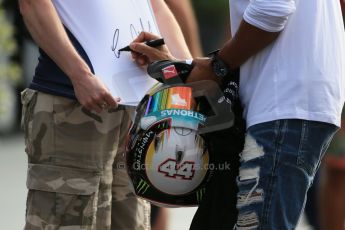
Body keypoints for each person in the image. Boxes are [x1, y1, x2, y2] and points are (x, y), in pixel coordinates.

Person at [129, 0, 345, 229]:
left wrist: (217, 66)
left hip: (282, 102)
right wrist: (186, 67)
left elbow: (272, 8)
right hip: (286, 99)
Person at [18, 0, 192, 229]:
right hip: (71, 103)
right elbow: (32, 3)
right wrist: (79, 75)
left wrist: (183, 78)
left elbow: (155, 6)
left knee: (132, 222)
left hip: (134, 107)